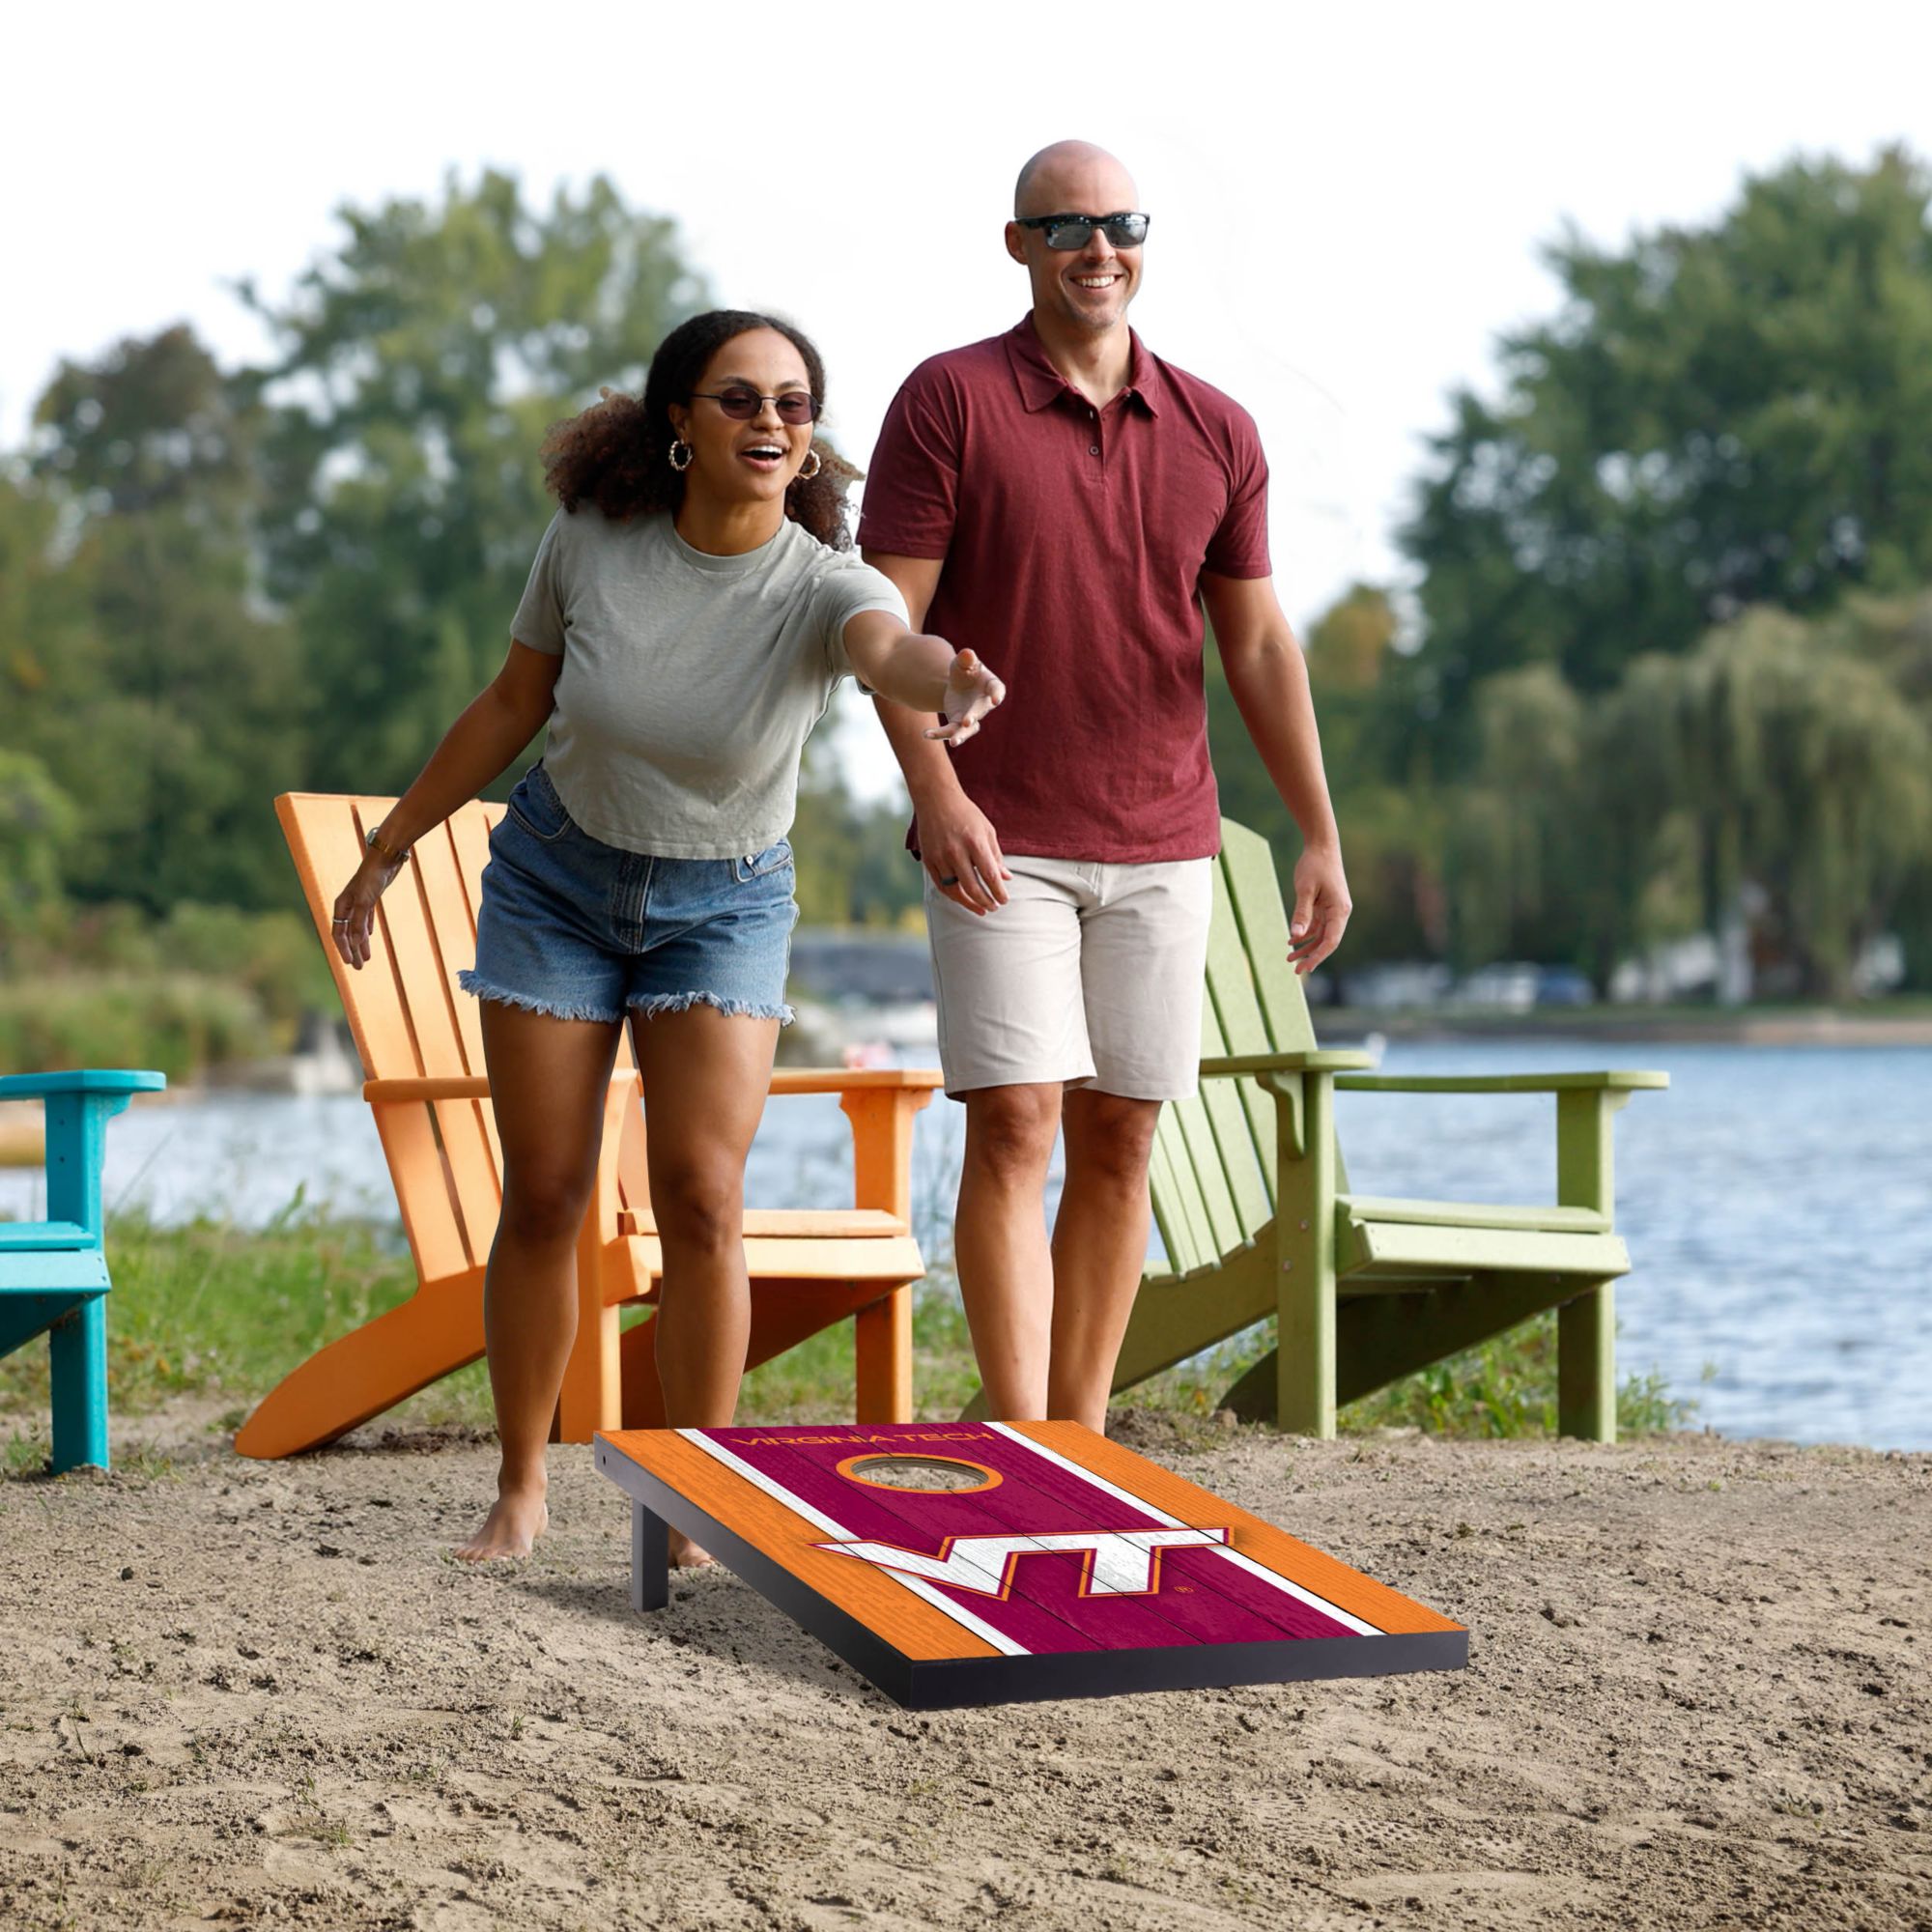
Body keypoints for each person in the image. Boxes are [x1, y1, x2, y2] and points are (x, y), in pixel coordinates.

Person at [329, 309, 1005, 1563]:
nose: (769, 423)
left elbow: (888, 652)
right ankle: (522, 1487)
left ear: (809, 443)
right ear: (680, 425)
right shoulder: (592, 542)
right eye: (739, 399)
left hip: (726, 904)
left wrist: (947, 683)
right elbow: (513, 702)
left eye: (793, 405)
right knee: (545, 1192)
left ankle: (699, 1502)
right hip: (556, 885)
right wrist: (394, 843)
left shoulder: (824, 582)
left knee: (703, 1197)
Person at [857, 141, 1350, 1432]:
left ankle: (1076, 1429)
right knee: (1017, 1123)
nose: (1097, 247)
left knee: (1122, 1136)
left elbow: (1257, 643)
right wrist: (936, 794)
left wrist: (1317, 833)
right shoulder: (947, 402)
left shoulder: (1216, 428)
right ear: (1017, 244)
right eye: (1065, 225)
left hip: (1163, 838)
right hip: (998, 836)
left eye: (1119, 223)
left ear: (1144, 239)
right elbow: (877, 629)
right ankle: (1019, 1431)